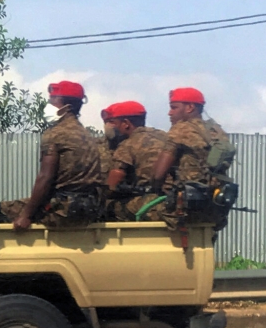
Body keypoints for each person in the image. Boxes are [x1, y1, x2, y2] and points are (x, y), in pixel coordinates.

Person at [0, 81, 104, 231]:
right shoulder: (86, 134)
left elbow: (45, 178)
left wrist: (26, 216)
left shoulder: (55, 134)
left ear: (65, 107)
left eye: (52, 101)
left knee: (0, 210)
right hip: (89, 210)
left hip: (63, 210)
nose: (48, 104)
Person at [150, 87, 234, 234]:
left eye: (174, 107)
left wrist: (154, 189)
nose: (170, 113)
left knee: (126, 207)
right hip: (215, 210)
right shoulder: (217, 131)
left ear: (190, 107)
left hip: (184, 210)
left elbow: (158, 175)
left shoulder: (181, 129)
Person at [100, 101, 169, 221]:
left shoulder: (128, 144)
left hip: (151, 202)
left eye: (114, 123)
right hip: (174, 199)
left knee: (105, 207)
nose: (111, 127)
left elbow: (113, 183)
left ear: (126, 123)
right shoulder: (164, 136)